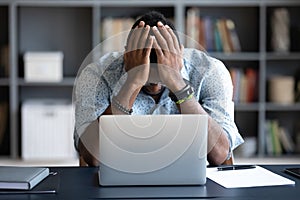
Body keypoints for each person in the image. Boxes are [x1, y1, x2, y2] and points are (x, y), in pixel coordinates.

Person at [73, 11, 244, 166]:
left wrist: (177, 84)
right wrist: (132, 82)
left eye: (161, 74)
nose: (155, 86)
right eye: (148, 77)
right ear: (127, 56)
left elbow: (220, 154)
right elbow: (92, 157)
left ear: (180, 54)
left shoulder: (210, 71)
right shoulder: (97, 74)